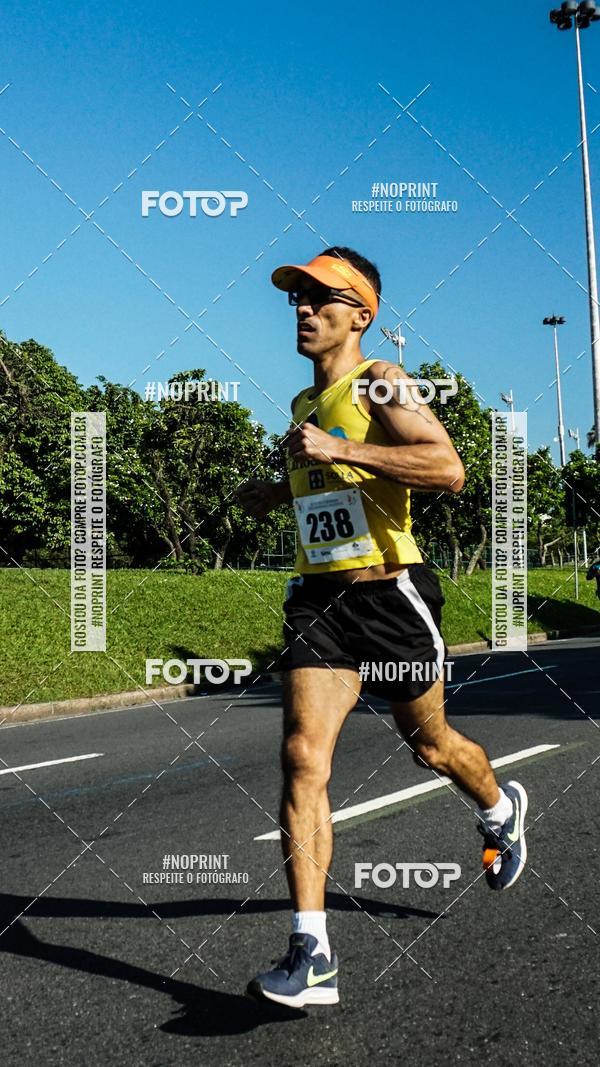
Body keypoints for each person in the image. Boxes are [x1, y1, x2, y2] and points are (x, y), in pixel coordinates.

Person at [236, 247, 528, 1008]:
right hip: (319, 601)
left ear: (361, 314)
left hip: (390, 596)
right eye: (295, 297)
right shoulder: (303, 408)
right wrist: (276, 491)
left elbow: (448, 466)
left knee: (429, 744)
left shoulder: (380, 381)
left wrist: (341, 447)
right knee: (302, 756)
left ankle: (499, 809)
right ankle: (313, 951)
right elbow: (328, 491)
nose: (302, 308)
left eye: (319, 297)